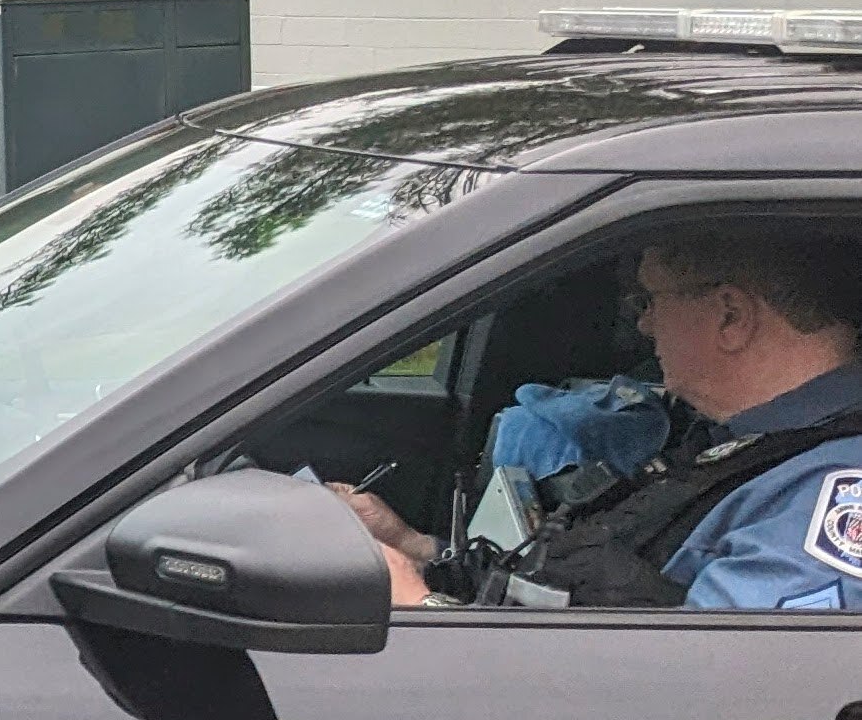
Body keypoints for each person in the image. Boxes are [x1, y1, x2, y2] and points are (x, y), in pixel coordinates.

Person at [338, 230, 862, 610]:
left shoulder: (829, 495)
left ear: (731, 316)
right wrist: (417, 550)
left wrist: (424, 608)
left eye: (650, 300)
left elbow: (702, 695)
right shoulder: (734, 443)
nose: (645, 323)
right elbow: (591, 588)